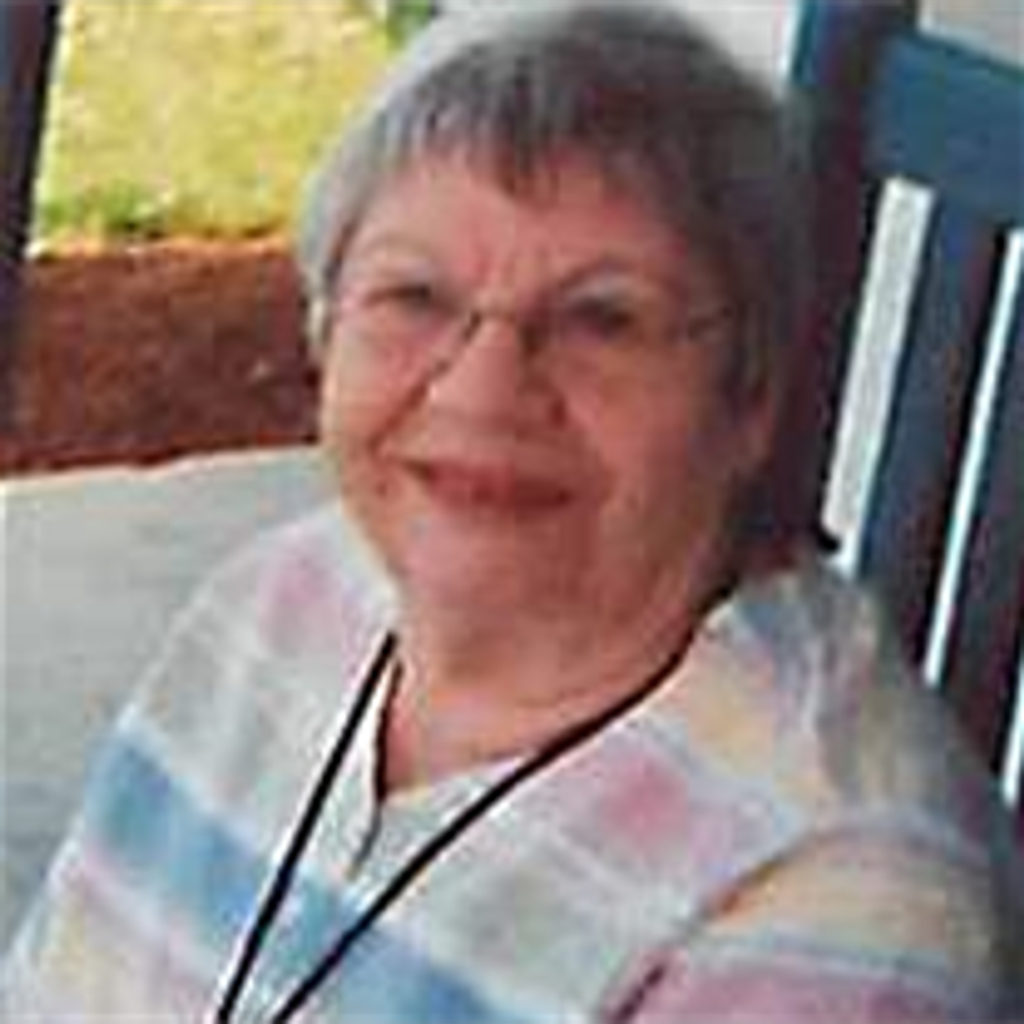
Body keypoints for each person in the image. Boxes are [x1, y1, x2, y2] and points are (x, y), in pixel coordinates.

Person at [3, 2, 1022, 1020]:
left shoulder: (844, 911)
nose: (483, 390)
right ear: (325, 328)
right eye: (414, 296)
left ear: (751, 396)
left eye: (603, 320)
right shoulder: (286, 599)